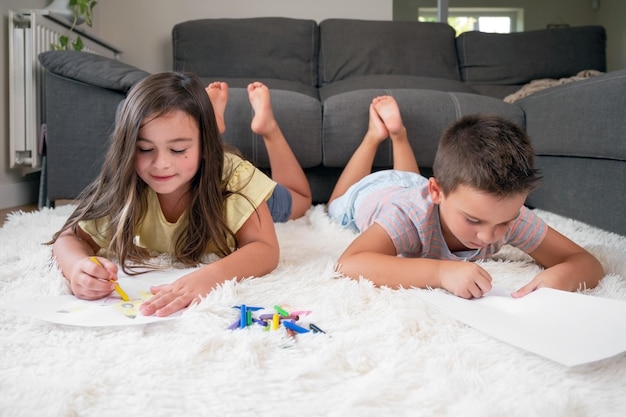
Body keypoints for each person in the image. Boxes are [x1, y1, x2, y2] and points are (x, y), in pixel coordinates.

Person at [49, 71, 282, 317]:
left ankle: (268, 129)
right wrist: (77, 267)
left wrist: (210, 277)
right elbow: (68, 239)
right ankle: (213, 118)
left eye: (178, 149)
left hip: (252, 196)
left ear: (206, 146)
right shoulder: (127, 182)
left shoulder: (236, 177)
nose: (161, 164)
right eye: (145, 149)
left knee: (296, 201)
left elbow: (265, 248)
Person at [327, 95, 604, 299]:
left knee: (411, 180)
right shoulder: (407, 216)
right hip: (370, 194)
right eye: (473, 220)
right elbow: (350, 263)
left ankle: (399, 136)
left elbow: (585, 262)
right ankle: (376, 136)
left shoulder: (506, 213)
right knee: (333, 204)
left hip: (414, 184)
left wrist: (562, 277)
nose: (488, 237)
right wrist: (440, 273)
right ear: (437, 193)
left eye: (504, 223)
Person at [206, 81, 312, 221]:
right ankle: (270, 129)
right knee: (302, 199)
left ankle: (207, 130)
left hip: (214, 183)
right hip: (239, 194)